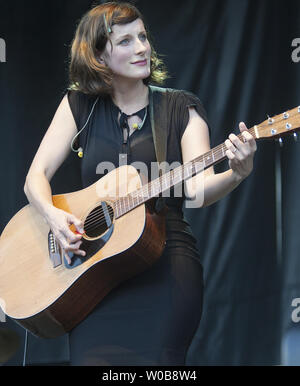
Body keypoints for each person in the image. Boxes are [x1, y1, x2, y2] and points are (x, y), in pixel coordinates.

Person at [23, 2, 257, 366]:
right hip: (94, 280)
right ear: (99, 54)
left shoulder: (182, 108)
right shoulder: (78, 106)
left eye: (143, 37)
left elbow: (197, 190)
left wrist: (237, 172)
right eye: (127, 41)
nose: (143, 47)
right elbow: (34, 178)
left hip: (163, 272)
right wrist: (54, 216)